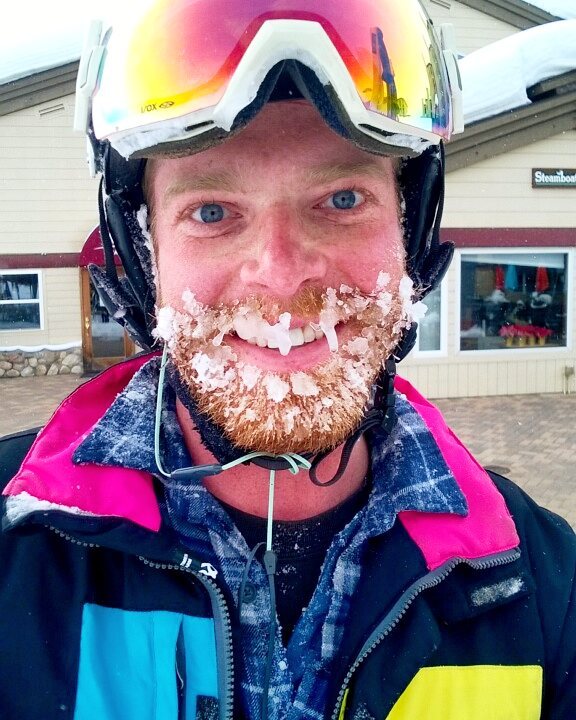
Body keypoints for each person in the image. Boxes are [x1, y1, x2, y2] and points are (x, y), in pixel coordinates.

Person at [1, 1, 575, 718]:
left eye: (340, 198)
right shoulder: (12, 543)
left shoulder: (544, 585)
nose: (280, 276)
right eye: (212, 211)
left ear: (410, 232)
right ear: (145, 259)